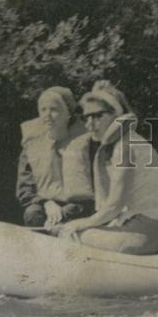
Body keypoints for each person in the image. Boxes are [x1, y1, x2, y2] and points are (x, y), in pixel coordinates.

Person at [52, 81, 158, 255]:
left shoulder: (124, 147)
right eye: (86, 117)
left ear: (116, 114)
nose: (89, 124)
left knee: (71, 233)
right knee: (75, 229)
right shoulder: (130, 139)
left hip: (150, 235)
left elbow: (114, 205)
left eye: (97, 116)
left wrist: (79, 224)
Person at [15, 87, 95, 230]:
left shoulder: (88, 140)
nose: (47, 115)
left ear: (69, 113)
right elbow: (25, 188)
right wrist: (46, 203)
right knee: (33, 214)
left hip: (81, 205)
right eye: (43, 109)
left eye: (54, 109)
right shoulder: (31, 145)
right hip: (44, 204)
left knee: (68, 213)